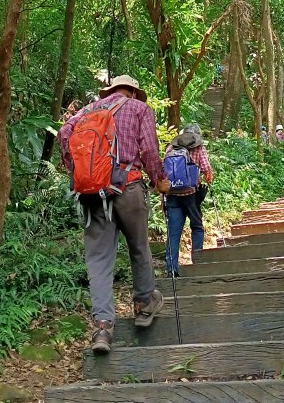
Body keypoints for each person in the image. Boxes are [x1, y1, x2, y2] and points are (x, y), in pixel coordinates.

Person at [59, 75, 171, 355]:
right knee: (139, 247)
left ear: (109, 91)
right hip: (129, 186)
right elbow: (149, 149)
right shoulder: (139, 109)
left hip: (93, 194)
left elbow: (64, 135)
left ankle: (103, 327)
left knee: (98, 259)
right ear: (133, 92)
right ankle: (144, 304)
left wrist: (77, 171)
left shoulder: (88, 111)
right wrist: (159, 179)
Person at [163, 123, 214, 277]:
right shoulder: (199, 148)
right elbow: (207, 171)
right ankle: (197, 264)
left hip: (172, 195)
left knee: (173, 233)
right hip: (191, 195)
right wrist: (208, 179)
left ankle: (172, 269)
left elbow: (164, 173)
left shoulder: (171, 148)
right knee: (197, 227)